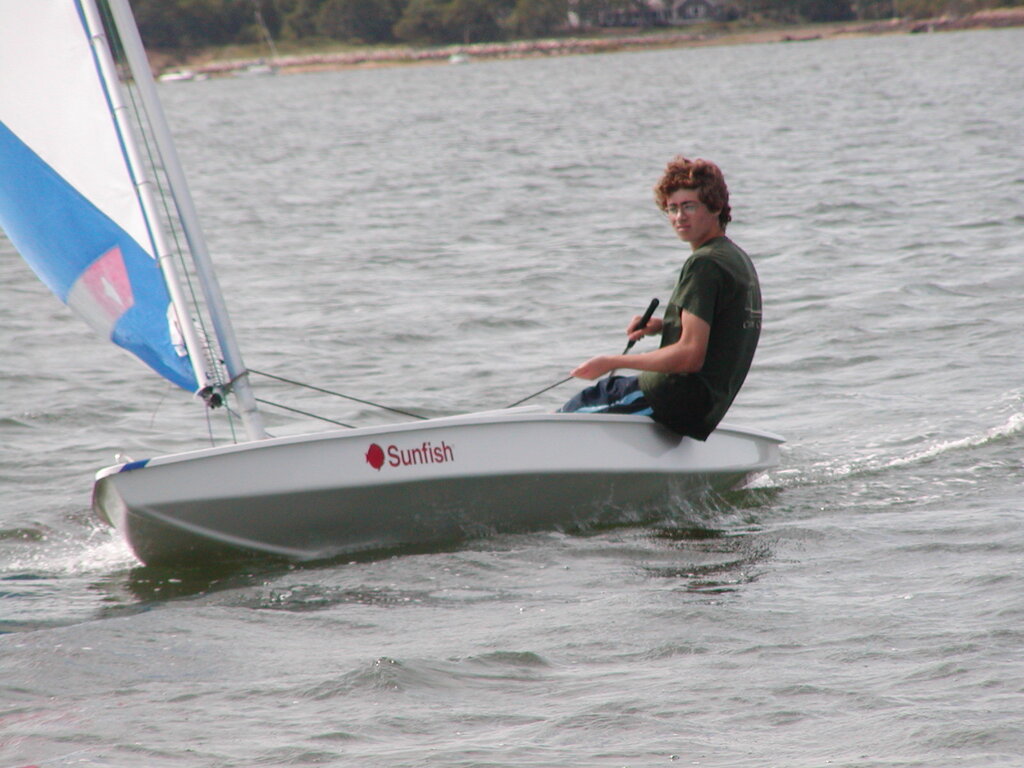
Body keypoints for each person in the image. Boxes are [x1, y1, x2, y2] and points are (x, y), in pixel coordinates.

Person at [558, 156, 762, 440]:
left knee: (570, 416)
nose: (679, 217)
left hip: (673, 398)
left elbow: (690, 357)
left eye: (689, 206)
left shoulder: (704, 264)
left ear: (716, 206)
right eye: (672, 208)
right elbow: (722, 328)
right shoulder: (735, 258)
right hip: (705, 407)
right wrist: (662, 326)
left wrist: (610, 361)